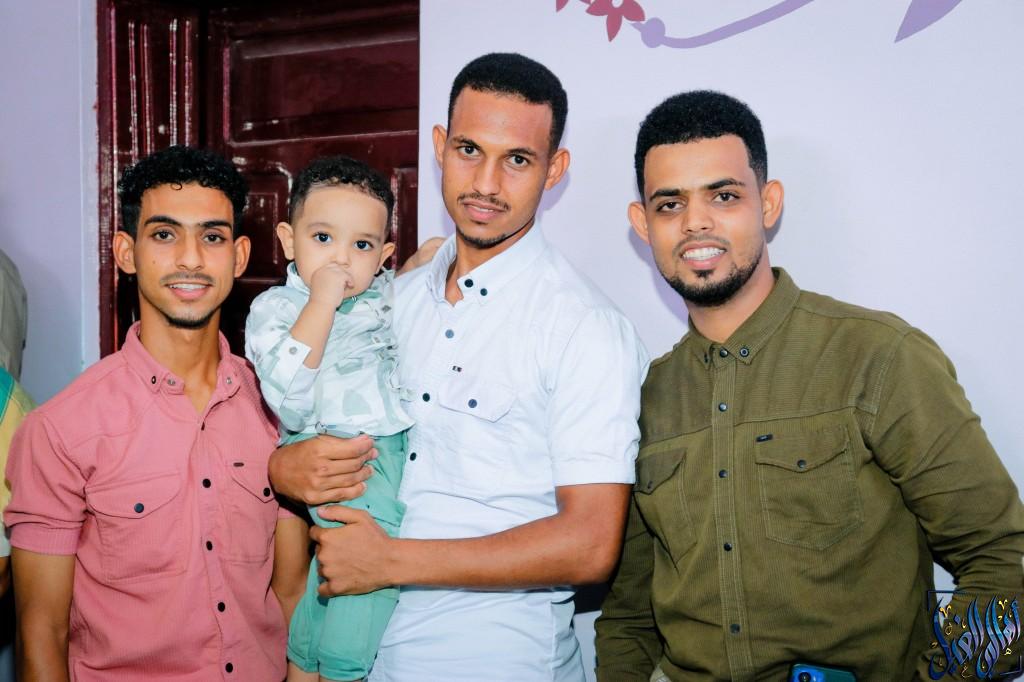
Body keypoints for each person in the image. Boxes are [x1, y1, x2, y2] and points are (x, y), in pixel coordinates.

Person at [594, 90, 1024, 681]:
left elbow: (1005, 564)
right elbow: (629, 617)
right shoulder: (645, 398)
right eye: (670, 204)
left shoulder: (878, 356)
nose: (696, 222)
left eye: (724, 196)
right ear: (643, 224)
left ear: (768, 203)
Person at [269, 53, 649, 681]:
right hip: (359, 656)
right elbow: (317, 421)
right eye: (470, 150)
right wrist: (284, 468)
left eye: (517, 159)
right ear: (441, 146)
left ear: (554, 170)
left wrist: (391, 561)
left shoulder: (585, 327)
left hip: (496, 661)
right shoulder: (391, 299)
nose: (487, 184)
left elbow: (590, 545)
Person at [4, 145, 309, 681]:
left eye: (212, 237)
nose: (191, 259)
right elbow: (41, 635)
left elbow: (291, 595)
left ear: (238, 256)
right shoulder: (60, 430)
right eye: (165, 235)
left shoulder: (281, 409)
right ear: (127, 252)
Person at [246, 155, 414, 682]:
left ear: (382, 256)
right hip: (337, 455)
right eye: (322, 238)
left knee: (334, 574)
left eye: (361, 245)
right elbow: (290, 399)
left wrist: (429, 257)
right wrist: (319, 304)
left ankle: (311, 662)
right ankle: (341, 668)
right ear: (288, 240)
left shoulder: (382, 293)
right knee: (364, 578)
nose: (341, 258)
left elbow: (416, 284)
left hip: (384, 451)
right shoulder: (276, 309)